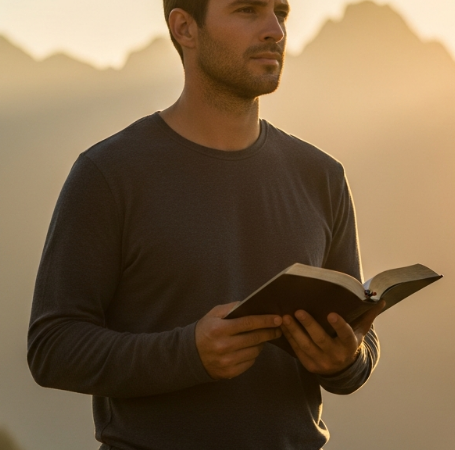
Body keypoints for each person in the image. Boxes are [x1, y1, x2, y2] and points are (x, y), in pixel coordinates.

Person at [26, 0, 384, 448]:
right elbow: (52, 348)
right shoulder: (109, 174)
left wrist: (345, 359)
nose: (275, 29)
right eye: (248, 10)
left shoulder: (322, 177)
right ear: (184, 28)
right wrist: (188, 353)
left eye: (281, 12)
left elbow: (360, 347)